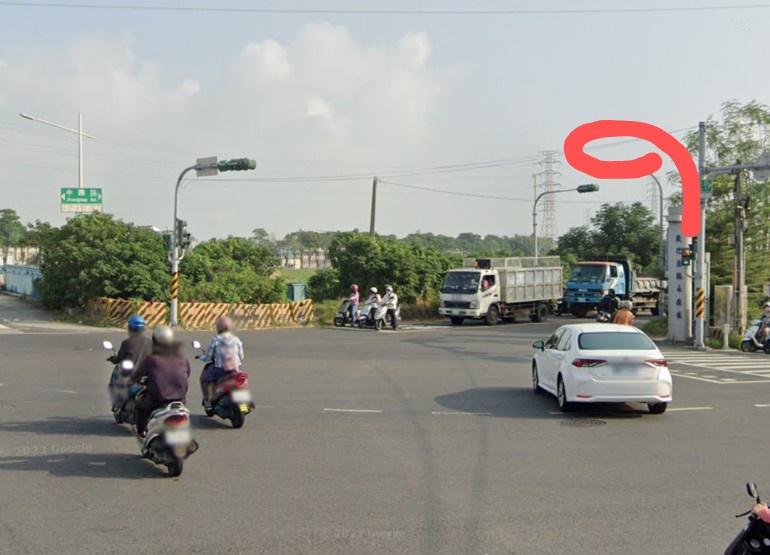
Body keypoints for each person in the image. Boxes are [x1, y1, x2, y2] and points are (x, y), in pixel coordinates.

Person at [129, 325, 191, 437]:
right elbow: (188, 373)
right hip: (180, 400)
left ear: (155, 341)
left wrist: (131, 381)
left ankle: (141, 432)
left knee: (140, 405)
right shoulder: (181, 356)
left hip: (157, 400)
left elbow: (137, 375)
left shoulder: (152, 358)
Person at [200, 316, 244, 410]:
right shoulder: (236, 339)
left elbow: (208, 357)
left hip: (220, 370)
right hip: (235, 370)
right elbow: (241, 356)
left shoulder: (216, 339)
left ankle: (207, 402)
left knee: (205, 379)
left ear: (218, 327)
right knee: (241, 381)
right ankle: (243, 406)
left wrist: (200, 357)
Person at [107, 315, 152, 391]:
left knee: (117, 369)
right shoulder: (150, 342)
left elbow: (118, 359)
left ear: (130, 328)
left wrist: (112, 359)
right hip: (146, 374)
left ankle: (114, 390)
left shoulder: (127, 342)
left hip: (131, 374)